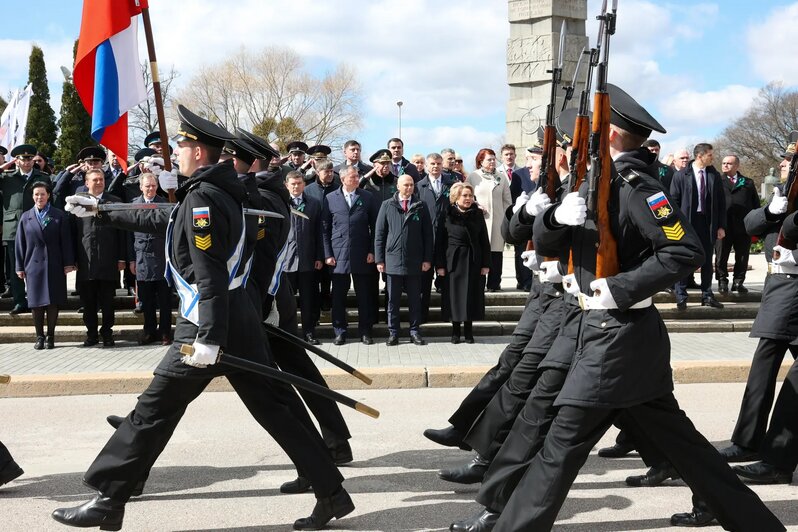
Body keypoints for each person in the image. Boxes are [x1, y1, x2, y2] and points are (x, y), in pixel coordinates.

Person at [460, 84, 783, 532]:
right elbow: (554, 241)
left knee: (561, 442)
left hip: (618, 335)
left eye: (590, 130)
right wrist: (552, 218)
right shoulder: (597, 182)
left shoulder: (637, 187)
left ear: (609, 135)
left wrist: (620, 289)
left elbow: (684, 250)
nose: (579, 139)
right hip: (595, 330)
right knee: (684, 447)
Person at [53, 105, 353, 531]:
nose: (176, 151)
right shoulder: (214, 192)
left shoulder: (204, 197)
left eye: (181, 145)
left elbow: (208, 272)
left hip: (207, 326)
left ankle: (109, 498)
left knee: (154, 409)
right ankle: (333, 493)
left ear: (199, 151)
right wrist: (103, 212)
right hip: (235, 321)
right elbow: (162, 217)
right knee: (275, 409)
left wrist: (210, 336)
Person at [716, 136, 798, 471]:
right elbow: (750, 224)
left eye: (789, 159)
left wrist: (789, 217)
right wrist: (770, 210)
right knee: (763, 364)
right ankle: (748, 441)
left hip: (792, 286)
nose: (782, 163)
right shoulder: (784, 190)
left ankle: (775, 456)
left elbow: (791, 231)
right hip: (780, 286)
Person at [322, 165, 379, 345]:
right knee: (338, 297)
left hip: (362, 254)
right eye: (353, 177)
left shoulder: (367, 197)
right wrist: (327, 254)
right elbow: (325, 229)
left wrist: (372, 251)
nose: (356, 179)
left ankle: (365, 331)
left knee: (364, 296)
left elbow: (376, 227)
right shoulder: (330, 198)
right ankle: (340, 331)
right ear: (343, 179)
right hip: (338, 255)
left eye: (357, 176)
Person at [14, 182, 75, 349]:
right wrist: (19, 267)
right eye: (36, 194)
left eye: (42, 194)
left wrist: (68, 263)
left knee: (52, 302)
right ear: (32, 196)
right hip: (33, 265)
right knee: (35, 303)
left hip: (54, 263)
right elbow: (20, 244)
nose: (39, 197)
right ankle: (39, 336)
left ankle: (51, 336)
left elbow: (66, 242)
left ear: (48, 195)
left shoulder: (58, 215)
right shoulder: (26, 217)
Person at [374, 174, 433, 345]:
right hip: (392, 260)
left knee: (415, 299)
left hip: (415, 260)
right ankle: (393, 332)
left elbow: (428, 235)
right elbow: (379, 234)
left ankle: (415, 331)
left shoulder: (421, 206)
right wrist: (380, 259)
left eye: (411, 185)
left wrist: (427, 259)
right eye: (406, 185)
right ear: (398, 186)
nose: (409, 188)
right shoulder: (387, 205)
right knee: (393, 300)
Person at [72, 169, 128, 347]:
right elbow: (73, 234)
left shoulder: (114, 202)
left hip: (108, 261)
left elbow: (122, 233)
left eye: (101, 179)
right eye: (95, 180)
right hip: (85, 261)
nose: (99, 182)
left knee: (108, 302)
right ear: (86, 183)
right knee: (88, 303)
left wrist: (121, 258)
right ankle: (91, 335)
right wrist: (72, 259)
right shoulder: (77, 204)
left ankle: (107, 333)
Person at [670, 143, 726, 309]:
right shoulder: (681, 175)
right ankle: (681, 295)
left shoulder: (713, 175)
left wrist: (721, 226)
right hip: (687, 223)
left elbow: (721, 203)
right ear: (700, 156)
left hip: (707, 223)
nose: (713, 158)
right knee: (684, 258)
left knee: (707, 260)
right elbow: (674, 202)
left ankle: (707, 295)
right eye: (710, 155)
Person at [436, 182, 490, 343]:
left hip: (473, 259)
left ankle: (468, 331)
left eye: (470, 196)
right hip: (453, 260)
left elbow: (484, 240)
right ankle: (455, 331)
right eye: (464, 195)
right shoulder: (446, 213)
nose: (468, 199)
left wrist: (486, 264)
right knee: (454, 296)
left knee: (471, 295)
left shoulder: (477, 214)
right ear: (456, 197)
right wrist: (439, 265)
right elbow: (440, 242)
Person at [2, 144, 52, 315]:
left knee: (34, 265)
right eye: (23, 159)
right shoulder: (7, 177)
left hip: (36, 227)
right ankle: (19, 301)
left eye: (30, 158)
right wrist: (4, 166)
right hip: (13, 227)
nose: (27, 162)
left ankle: (36, 299)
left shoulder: (43, 177)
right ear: (16, 160)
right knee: (15, 267)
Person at [128, 173, 171, 345]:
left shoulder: (165, 204)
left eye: (153, 185)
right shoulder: (133, 205)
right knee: (146, 300)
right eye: (147, 186)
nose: (151, 189)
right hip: (142, 259)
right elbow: (128, 235)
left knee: (165, 301)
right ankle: (149, 331)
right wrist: (131, 260)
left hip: (162, 258)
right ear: (141, 187)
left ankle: (165, 332)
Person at [283, 170, 324, 345]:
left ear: (304, 184)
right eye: (292, 183)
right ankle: (288, 334)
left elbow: (319, 232)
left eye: (299, 183)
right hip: (286, 262)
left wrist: (319, 256)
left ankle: (309, 333)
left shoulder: (313, 204)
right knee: (287, 302)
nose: (296, 186)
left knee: (308, 300)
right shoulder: (281, 203)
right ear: (286, 185)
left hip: (308, 260)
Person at [416, 153, 454, 321]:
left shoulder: (451, 185)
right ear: (426, 165)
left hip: (446, 241)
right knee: (423, 283)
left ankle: (447, 315)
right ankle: (422, 316)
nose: (436, 166)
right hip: (425, 242)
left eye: (439, 163)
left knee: (446, 281)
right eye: (432, 163)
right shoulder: (418, 187)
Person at [468, 148, 511, 292]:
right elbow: (466, 196)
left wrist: (505, 218)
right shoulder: (473, 177)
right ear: (481, 161)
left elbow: (507, 200)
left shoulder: (501, 177)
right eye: (489, 159)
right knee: (480, 252)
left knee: (496, 253)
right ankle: (479, 283)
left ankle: (494, 283)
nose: (493, 162)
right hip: (479, 221)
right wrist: (476, 206)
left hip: (498, 220)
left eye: (494, 159)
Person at [715, 154, 759, 294]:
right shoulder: (716, 181)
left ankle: (738, 282)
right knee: (721, 255)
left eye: (729, 163)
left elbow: (755, 205)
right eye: (723, 163)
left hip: (743, 226)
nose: (725, 165)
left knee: (742, 256)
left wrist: (755, 225)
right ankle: (722, 281)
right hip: (723, 226)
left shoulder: (748, 183)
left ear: (737, 166)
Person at [304, 159, 340, 312]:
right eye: (327, 172)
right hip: (313, 236)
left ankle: (327, 300)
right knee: (314, 275)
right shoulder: (308, 190)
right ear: (318, 173)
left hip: (333, 236)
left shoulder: (339, 189)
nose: (330, 174)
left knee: (329, 275)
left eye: (332, 171)